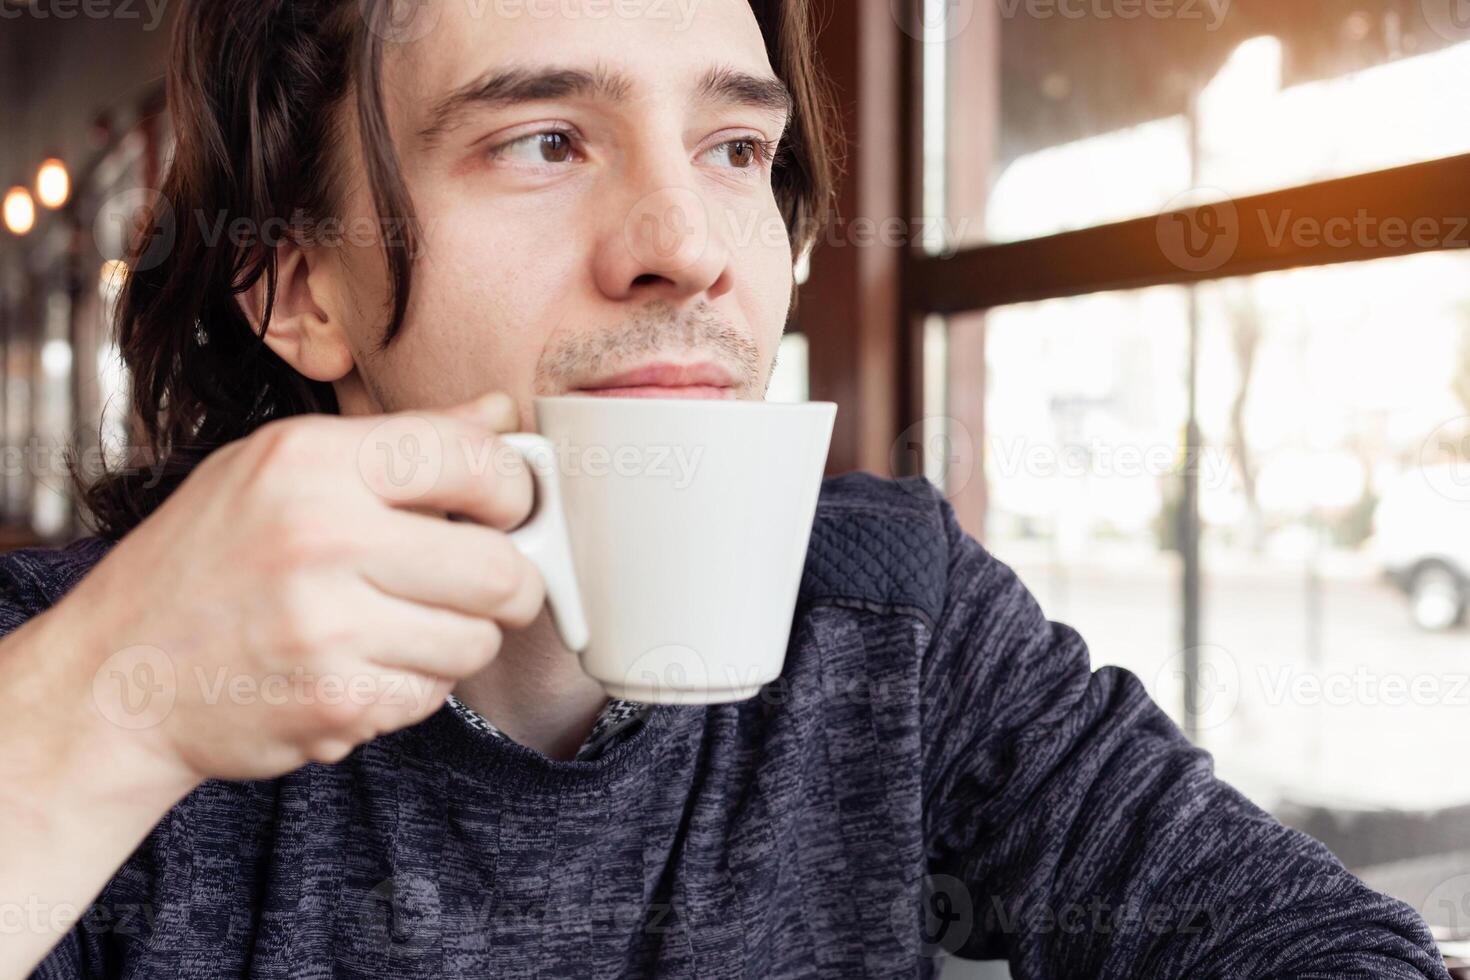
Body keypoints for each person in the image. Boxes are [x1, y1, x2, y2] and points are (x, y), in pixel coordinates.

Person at [0, 1, 1450, 977]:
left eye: (734, 148)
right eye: (543, 140)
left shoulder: (889, 608)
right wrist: (94, 706)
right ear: (294, 282)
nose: (687, 246)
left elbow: (1317, 945)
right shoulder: (68, 670)